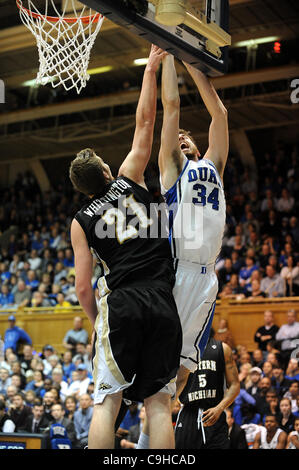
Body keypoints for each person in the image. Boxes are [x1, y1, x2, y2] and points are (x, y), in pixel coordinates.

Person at [69, 45, 182, 449]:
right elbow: (146, 123)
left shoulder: (80, 222)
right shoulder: (128, 176)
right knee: (158, 403)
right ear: (104, 170)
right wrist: (150, 68)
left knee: (107, 401)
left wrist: (97, 320)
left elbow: (84, 289)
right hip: (162, 295)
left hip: (122, 303)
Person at [157, 48, 228, 403]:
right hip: (177, 269)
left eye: (188, 137)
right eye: (178, 138)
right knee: (158, 355)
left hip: (207, 276)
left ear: (197, 145)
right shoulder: (173, 168)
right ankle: (146, 428)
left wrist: (193, 63)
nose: (182, 138)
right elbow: (171, 107)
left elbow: (220, 113)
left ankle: (156, 428)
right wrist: (168, 54)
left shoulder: (214, 165)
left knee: (186, 364)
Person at [175, 336, 240, 449]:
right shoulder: (179, 348)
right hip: (188, 413)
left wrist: (219, 408)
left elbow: (235, 385)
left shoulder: (222, 348)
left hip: (214, 413)